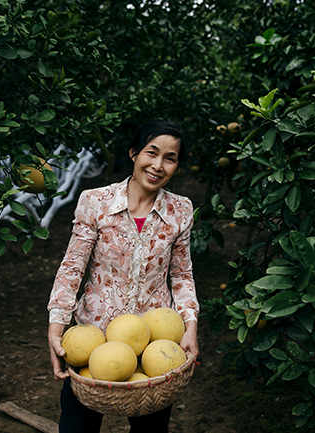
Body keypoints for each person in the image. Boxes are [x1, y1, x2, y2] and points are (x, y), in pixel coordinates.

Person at [47, 119, 200, 433]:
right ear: (134, 153)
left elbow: (182, 275)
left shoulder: (180, 211)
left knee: (150, 429)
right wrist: (56, 325)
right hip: (94, 338)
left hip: (153, 343)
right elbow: (72, 268)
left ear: (176, 166)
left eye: (170, 158)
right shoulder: (96, 203)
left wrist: (191, 325)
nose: (158, 165)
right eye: (151, 152)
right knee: (77, 427)